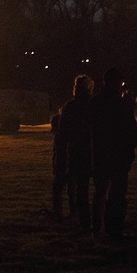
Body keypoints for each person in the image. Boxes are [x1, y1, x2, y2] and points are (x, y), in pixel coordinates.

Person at [89, 67, 137, 237]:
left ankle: (97, 227)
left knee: (100, 193)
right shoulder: (121, 104)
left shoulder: (95, 103)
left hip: (101, 154)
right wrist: (129, 151)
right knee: (117, 194)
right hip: (118, 155)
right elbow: (132, 130)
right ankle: (115, 228)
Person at [57, 76, 96, 230]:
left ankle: (81, 218)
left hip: (77, 151)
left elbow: (63, 133)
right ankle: (97, 218)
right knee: (99, 188)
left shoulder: (70, 107)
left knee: (80, 187)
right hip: (94, 151)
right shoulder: (94, 105)